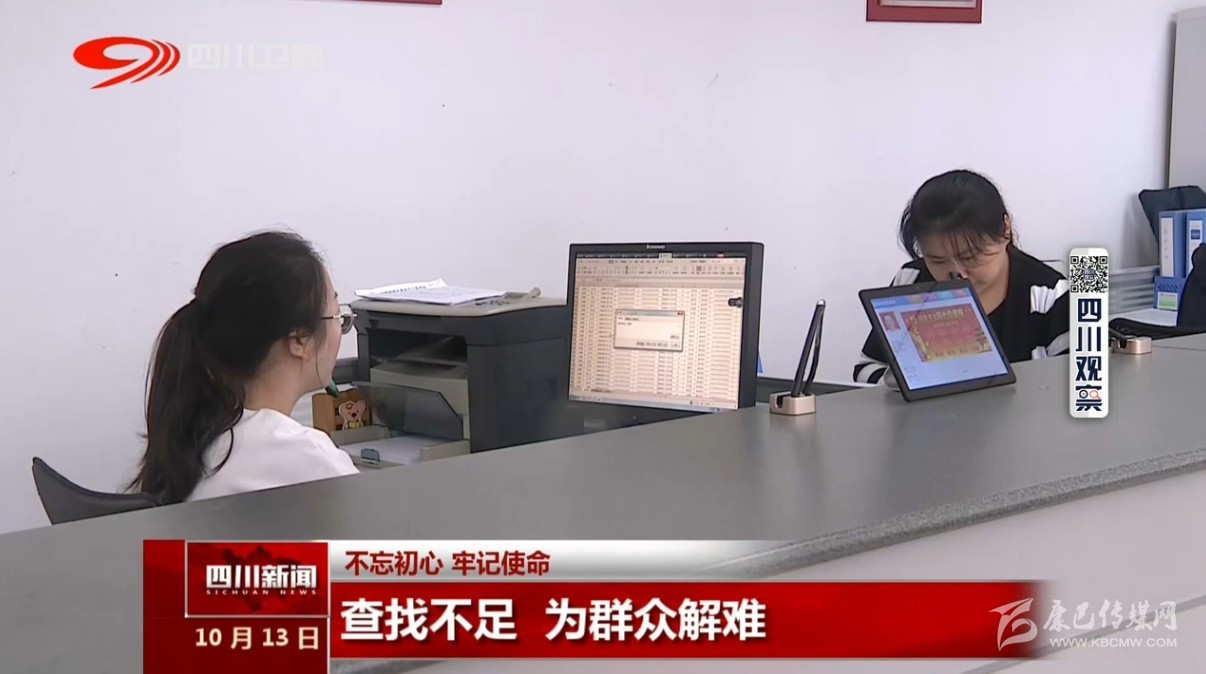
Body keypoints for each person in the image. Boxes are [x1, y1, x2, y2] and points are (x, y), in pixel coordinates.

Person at [130, 231, 359, 503]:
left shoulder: (199, 436)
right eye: (336, 316)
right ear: (299, 339)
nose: (340, 328)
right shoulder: (305, 455)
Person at [853, 170, 1069, 384]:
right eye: (937, 260)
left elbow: (1076, 387)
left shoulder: (1051, 296)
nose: (958, 274)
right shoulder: (911, 280)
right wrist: (905, 384)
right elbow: (867, 368)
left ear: (1005, 229)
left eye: (970, 256)